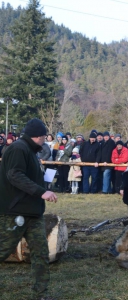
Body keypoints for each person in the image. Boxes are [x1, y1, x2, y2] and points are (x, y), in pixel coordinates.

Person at [0, 118, 58, 299]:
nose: (45, 140)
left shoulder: (31, 152)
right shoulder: (18, 149)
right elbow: (15, 175)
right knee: (2, 250)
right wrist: (41, 192)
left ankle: (40, 294)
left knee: (41, 253)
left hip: (33, 213)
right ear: (39, 136)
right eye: (44, 136)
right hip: (14, 212)